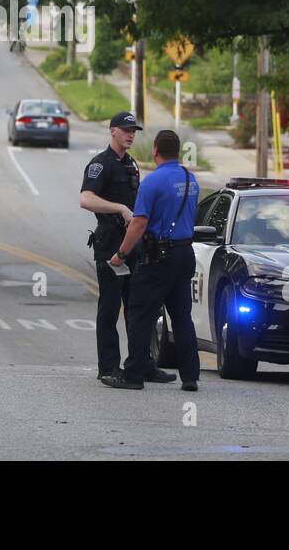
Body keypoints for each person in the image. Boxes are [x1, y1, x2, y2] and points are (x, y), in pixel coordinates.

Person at [79, 112, 175, 384]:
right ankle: (108, 367)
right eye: (126, 130)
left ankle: (141, 364)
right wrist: (120, 208)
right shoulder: (100, 164)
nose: (131, 135)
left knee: (139, 308)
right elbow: (85, 199)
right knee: (110, 308)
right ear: (112, 131)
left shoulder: (131, 164)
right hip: (110, 244)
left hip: (133, 244)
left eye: (134, 130)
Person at [102, 129, 200, 391]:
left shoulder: (153, 182)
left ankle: (133, 375)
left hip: (159, 257)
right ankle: (190, 377)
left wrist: (121, 253)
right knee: (181, 317)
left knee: (140, 314)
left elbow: (140, 222)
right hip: (185, 253)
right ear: (177, 151)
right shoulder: (192, 180)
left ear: (155, 150)